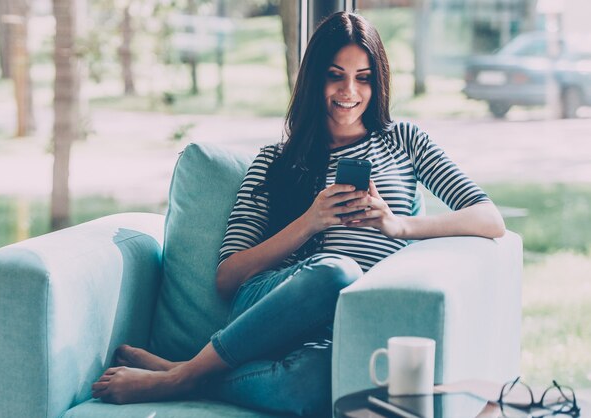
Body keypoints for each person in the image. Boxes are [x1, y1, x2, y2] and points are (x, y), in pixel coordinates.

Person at [91, 11, 505, 417]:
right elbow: (227, 279)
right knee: (336, 271)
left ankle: (185, 372)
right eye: (335, 74)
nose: (349, 90)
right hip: (270, 310)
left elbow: (489, 219)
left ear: (378, 83)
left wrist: (398, 225)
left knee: (317, 387)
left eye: (363, 77)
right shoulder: (276, 160)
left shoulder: (406, 141)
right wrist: (310, 222)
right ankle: (177, 382)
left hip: (345, 323)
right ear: (313, 79)